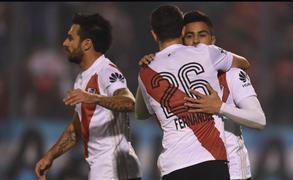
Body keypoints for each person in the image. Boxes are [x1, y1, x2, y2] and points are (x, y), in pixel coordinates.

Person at [138, 10, 266, 180]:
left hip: (234, 171)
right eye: (190, 36)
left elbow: (259, 120)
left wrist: (220, 107)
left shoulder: (233, 74)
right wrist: (150, 67)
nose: (196, 41)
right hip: (202, 165)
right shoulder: (173, 75)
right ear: (182, 36)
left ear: (213, 42)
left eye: (202, 35)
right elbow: (143, 112)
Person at [34, 13, 141, 180]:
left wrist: (94, 98)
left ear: (86, 44)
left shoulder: (106, 71)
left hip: (115, 166)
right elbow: (76, 129)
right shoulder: (81, 79)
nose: (64, 43)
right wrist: (50, 156)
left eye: (70, 38)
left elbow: (130, 102)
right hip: (104, 167)